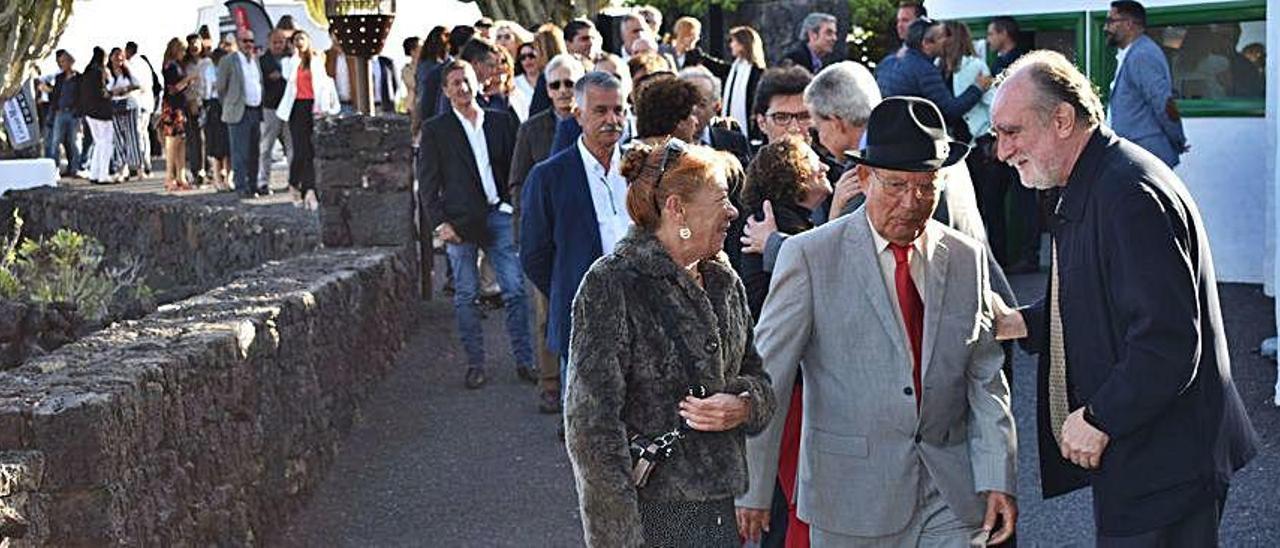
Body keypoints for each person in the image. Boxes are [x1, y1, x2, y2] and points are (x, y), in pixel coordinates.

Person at [991, 49, 1257, 547]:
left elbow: (1169, 340)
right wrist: (1024, 322)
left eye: (1012, 132)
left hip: (1167, 465)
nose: (1002, 151)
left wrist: (1099, 417)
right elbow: (1104, 298)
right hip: (1150, 452)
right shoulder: (1096, 177)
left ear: (1062, 119)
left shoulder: (1127, 194)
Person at [737, 96, 1017, 547]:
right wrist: (752, 489)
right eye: (896, 185)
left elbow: (984, 375)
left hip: (948, 492)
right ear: (864, 178)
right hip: (850, 496)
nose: (913, 202)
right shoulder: (810, 256)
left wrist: (997, 475)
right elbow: (770, 374)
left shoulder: (966, 258)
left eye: (927, 186)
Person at [564, 137, 776, 547]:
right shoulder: (611, 283)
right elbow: (591, 429)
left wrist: (744, 405)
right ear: (677, 207)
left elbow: (757, 376)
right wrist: (619, 539)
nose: (733, 211)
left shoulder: (722, 278)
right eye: (720, 199)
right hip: (651, 517)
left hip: (718, 510)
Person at [418, 59, 533, 389]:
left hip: (499, 214)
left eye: (466, 81)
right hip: (458, 222)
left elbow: (516, 166)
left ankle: (525, 361)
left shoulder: (500, 121)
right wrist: (440, 223)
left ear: (477, 83)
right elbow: (427, 182)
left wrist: (513, 205)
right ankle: (475, 364)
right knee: (466, 295)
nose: (463, 88)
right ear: (445, 90)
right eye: (455, 83)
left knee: (514, 290)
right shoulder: (436, 130)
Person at [521, 72, 631, 405]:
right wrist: (567, 289)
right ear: (578, 114)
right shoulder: (549, 176)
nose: (612, 119)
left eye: (619, 110)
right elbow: (534, 255)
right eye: (601, 111)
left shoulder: (640, 169)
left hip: (640, 313)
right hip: (583, 315)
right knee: (588, 423)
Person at [508, 54, 585, 414]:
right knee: (546, 312)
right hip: (546, 233)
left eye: (570, 83)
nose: (563, 91)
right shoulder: (532, 128)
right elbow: (518, 181)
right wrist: (525, 229)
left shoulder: (593, 122)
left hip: (580, 232)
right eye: (555, 84)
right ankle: (550, 382)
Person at [737, 135, 830, 319]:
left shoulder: (784, 220)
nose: (825, 167)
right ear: (793, 171)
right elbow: (818, 270)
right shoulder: (774, 222)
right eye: (815, 162)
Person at [985, 15, 1040, 274]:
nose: (988, 39)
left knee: (1025, 199)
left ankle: (1028, 256)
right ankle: (1001, 258)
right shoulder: (998, 63)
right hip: (1002, 143)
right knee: (995, 201)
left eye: (991, 34)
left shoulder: (1021, 66)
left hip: (1018, 143)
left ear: (1003, 33)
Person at [1104, 0, 1188, 168]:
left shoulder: (1142, 55)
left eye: (1111, 22)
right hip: (1137, 157)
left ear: (1128, 24)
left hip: (1146, 158)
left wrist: (1178, 139)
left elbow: (1165, 103)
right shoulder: (1133, 53)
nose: (1106, 28)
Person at [876, 18, 992, 121]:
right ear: (926, 43)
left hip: (885, 131)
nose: (946, 40)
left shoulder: (887, 62)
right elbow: (950, 110)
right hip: (912, 138)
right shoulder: (925, 70)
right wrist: (977, 88)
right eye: (941, 37)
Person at [276, 30, 339, 209]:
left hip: (313, 106)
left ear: (308, 40)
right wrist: (295, 56)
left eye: (302, 38)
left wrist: (325, 107)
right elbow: (288, 76)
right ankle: (294, 183)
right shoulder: (289, 62)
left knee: (311, 151)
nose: (299, 42)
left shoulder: (317, 60)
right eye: (295, 40)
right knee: (300, 150)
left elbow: (323, 84)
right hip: (297, 107)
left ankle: (310, 190)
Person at [218, 29, 266, 197]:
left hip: (255, 110)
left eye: (251, 41)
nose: (248, 44)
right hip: (239, 111)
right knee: (240, 153)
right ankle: (240, 187)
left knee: (254, 152)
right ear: (238, 42)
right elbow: (221, 88)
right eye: (245, 41)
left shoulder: (255, 60)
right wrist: (231, 104)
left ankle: (253, 185)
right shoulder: (228, 60)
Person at [679, 66, 750, 167]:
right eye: (687, 102)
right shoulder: (663, 145)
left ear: (716, 107)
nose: (692, 110)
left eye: (701, 104)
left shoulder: (734, 143)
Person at [259, 29, 293, 195]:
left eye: (281, 42)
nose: (279, 45)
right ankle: (263, 181)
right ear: (269, 43)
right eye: (275, 42)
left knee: (291, 146)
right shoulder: (263, 61)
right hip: (271, 107)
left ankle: (293, 181)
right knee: (267, 147)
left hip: (288, 107)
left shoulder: (291, 58)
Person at [160, 38, 195, 191]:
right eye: (182, 50)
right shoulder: (171, 66)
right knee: (173, 141)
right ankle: (169, 177)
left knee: (181, 141)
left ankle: (180, 176)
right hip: (172, 107)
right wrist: (188, 79)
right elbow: (173, 89)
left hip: (178, 106)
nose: (184, 53)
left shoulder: (174, 65)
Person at [721, 26, 766, 141]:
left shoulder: (757, 72)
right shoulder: (735, 68)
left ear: (743, 44)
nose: (731, 45)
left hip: (750, 130)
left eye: (734, 41)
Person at [107, 47, 144, 182]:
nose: (119, 59)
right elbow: (104, 90)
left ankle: (139, 168)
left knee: (133, 137)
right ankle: (122, 169)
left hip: (129, 105)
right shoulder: (107, 73)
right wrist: (113, 92)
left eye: (121, 56)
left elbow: (138, 85)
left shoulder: (127, 72)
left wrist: (125, 89)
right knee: (118, 139)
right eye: (116, 56)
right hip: (114, 107)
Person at [79, 47, 115, 186]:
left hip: (89, 112)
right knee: (106, 143)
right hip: (102, 113)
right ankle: (103, 175)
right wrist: (112, 92)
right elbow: (102, 92)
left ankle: (95, 173)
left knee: (98, 143)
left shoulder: (87, 71)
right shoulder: (99, 72)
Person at [45, 50, 82, 177]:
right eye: (60, 62)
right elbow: (55, 94)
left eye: (64, 61)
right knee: (55, 142)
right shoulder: (59, 78)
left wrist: (79, 113)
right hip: (60, 113)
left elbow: (81, 97)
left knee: (74, 143)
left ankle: (75, 169)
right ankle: (54, 170)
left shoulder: (79, 78)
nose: (62, 64)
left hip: (73, 114)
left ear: (71, 61)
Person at [125, 41, 158, 177]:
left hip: (137, 103)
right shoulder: (144, 63)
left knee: (137, 135)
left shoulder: (132, 64)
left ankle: (140, 166)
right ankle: (146, 163)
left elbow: (134, 84)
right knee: (144, 134)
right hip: (147, 103)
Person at [510, 42, 541, 122]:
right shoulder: (514, 83)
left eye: (531, 56)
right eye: (523, 57)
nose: (527, 60)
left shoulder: (548, 78)